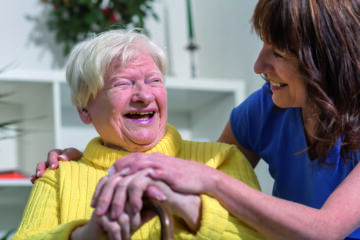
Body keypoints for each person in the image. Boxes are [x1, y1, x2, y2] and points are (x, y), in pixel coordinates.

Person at [37, 0, 360, 239]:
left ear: (325, 57)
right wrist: (92, 158)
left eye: (278, 52)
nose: (258, 64)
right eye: (122, 83)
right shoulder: (263, 110)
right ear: (83, 108)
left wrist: (212, 180)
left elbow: (327, 229)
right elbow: (205, 183)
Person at [13, 29, 264, 240]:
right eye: (123, 83)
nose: (144, 96)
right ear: (84, 110)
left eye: (154, 81)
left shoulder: (222, 160)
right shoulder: (59, 177)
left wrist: (192, 210)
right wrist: (87, 234)